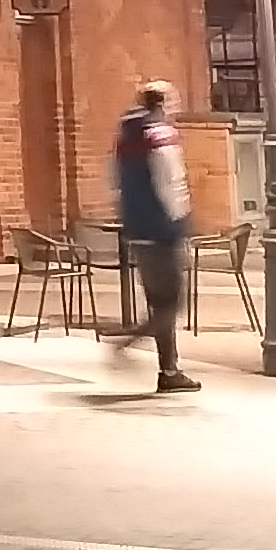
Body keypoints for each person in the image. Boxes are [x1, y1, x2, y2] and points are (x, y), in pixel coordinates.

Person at [105, 83, 200, 394]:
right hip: (163, 229)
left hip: (137, 228)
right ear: (162, 103)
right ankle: (130, 345)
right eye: (172, 101)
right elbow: (171, 181)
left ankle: (169, 370)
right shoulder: (160, 134)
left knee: (158, 301)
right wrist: (181, 220)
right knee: (172, 302)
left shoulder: (126, 136)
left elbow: (114, 180)